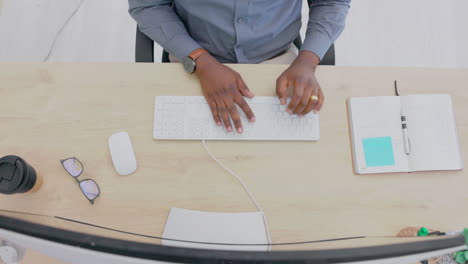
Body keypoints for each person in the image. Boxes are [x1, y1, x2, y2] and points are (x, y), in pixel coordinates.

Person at [129, 0, 350, 134]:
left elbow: (331, 3)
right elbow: (148, 5)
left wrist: (306, 62)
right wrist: (202, 62)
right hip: (194, 60)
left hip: (279, 63)